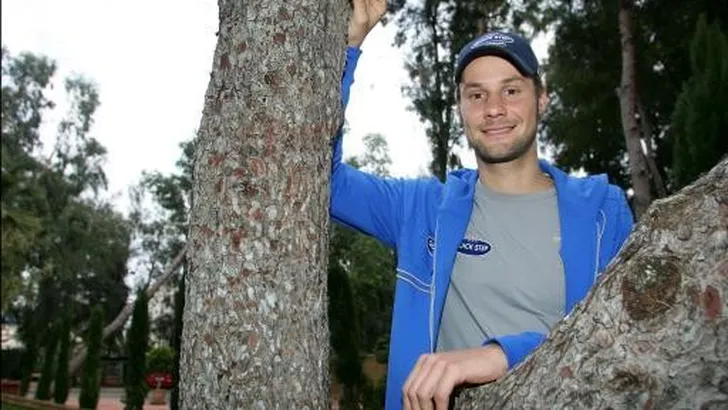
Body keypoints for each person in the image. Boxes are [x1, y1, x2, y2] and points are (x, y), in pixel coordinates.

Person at [333, 1, 634, 409]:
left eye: (511, 90)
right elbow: (324, 181)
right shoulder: (420, 210)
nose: (494, 109)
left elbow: (625, 338)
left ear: (542, 99)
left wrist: (501, 355)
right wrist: (348, 48)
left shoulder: (602, 211)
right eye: (477, 95)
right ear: (460, 108)